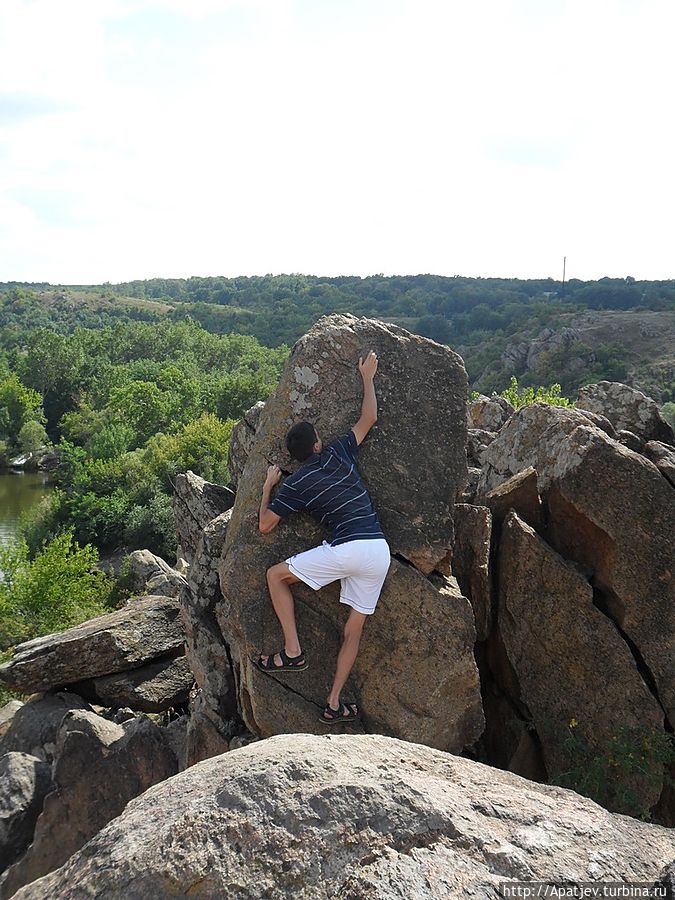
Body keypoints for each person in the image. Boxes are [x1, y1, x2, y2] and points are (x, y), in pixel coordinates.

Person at [255, 350, 390, 725]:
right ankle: (333, 702)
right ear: (317, 445)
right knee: (353, 630)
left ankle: (293, 652)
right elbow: (370, 418)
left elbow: (265, 525)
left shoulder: (296, 484)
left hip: (347, 548)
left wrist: (268, 486)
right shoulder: (339, 452)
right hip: (379, 550)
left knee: (274, 575)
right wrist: (366, 376)